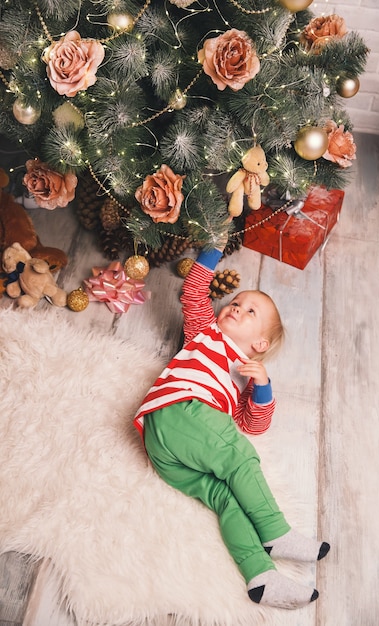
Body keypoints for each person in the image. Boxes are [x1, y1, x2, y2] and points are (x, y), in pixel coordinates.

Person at [134, 245, 330, 610]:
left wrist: (263, 388)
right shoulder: (204, 333)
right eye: (236, 302)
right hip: (177, 410)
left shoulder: (243, 382)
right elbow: (193, 292)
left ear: (259, 343)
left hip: (167, 457)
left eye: (249, 310)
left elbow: (253, 424)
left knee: (228, 499)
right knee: (239, 456)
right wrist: (212, 249)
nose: (235, 307)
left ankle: (260, 576)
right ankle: (276, 530)